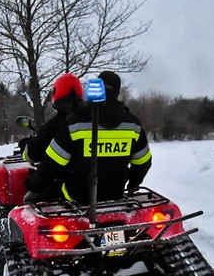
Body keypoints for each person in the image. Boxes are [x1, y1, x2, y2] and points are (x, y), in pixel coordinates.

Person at [25, 71, 151, 204]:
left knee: (51, 186)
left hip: (78, 196)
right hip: (115, 194)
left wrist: (34, 189)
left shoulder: (74, 121)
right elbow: (143, 162)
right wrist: (133, 184)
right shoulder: (133, 124)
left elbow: (52, 164)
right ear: (118, 92)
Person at [21, 73, 85, 162]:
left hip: (61, 171)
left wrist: (24, 144)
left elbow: (33, 154)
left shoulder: (53, 125)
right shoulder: (94, 119)